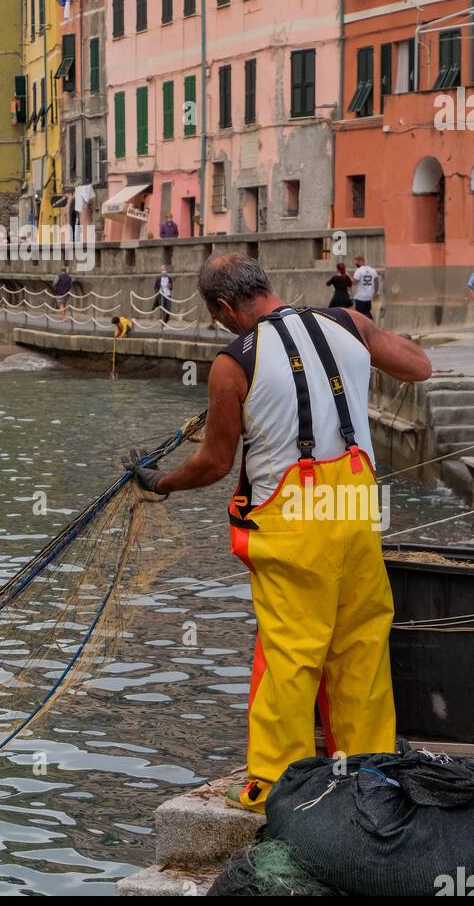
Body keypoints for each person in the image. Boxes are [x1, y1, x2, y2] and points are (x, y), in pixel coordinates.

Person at [126, 253, 431, 814]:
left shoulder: (231, 363)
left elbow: (215, 463)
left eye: (217, 315)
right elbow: (418, 367)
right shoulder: (348, 323)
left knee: (290, 654)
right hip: (356, 510)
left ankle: (275, 782)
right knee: (361, 641)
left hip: (294, 525)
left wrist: (162, 482)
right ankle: (371, 769)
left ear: (223, 307)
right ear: (267, 286)